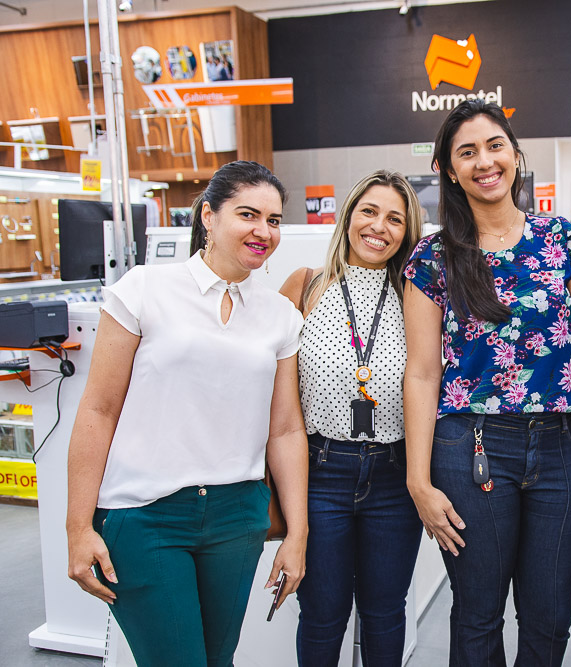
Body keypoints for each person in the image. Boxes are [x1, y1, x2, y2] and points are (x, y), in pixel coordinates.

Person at [402, 99, 571, 666]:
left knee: (550, 619)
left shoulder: (564, 240)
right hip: (470, 449)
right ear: (450, 170)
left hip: (557, 447)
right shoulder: (434, 256)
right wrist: (418, 480)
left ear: (516, 155)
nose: (484, 162)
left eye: (494, 146)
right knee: (478, 616)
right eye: (467, 152)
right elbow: (421, 373)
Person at [65, 161, 309, 667]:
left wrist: (298, 534)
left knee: (217, 661)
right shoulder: (143, 289)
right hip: (145, 514)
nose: (263, 231)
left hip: (238, 517)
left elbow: (285, 430)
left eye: (273, 220)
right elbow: (98, 410)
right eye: (248, 214)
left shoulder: (279, 315)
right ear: (208, 217)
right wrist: (77, 527)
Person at [279, 170, 423, 666]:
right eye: (369, 211)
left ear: (407, 232)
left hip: (395, 476)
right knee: (322, 614)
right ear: (348, 216)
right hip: (320, 472)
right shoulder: (305, 286)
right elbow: (273, 393)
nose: (379, 227)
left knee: (385, 613)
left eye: (395, 219)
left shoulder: (416, 296)